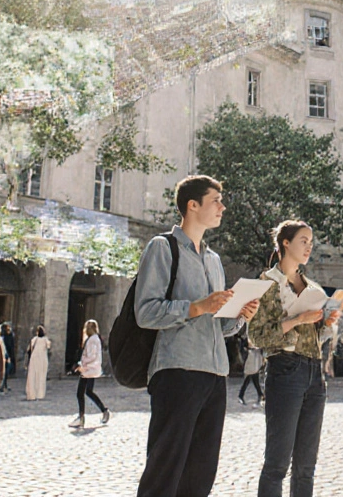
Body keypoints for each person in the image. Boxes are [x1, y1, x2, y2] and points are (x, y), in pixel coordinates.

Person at [133, 175, 260, 497]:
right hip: (177, 371)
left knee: (200, 475)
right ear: (192, 205)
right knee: (164, 471)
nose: (222, 207)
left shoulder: (214, 260)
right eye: (216, 200)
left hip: (215, 374)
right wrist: (197, 306)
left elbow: (218, 326)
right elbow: (145, 312)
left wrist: (239, 316)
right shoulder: (163, 247)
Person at [248, 219, 341, 497]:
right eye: (303, 241)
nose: (309, 247)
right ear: (285, 243)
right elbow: (257, 336)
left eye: (311, 242)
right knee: (277, 464)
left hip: (314, 372)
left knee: (306, 467)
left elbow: (314, 337)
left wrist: (325, 323)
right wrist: (298, 319)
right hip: (285, 370)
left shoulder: (312, 287)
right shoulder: (267, 283)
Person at [70, 319, 111, 428]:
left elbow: (92, 356)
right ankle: (104, 410)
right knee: (88, 391)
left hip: (88, 369)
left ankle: (81, 418)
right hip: (91, 368)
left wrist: (81, 364)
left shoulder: (92, 340)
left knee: (80, 393)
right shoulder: (95, 338)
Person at [25, 325, 50, 401]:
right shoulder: (46, 340)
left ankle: (32, 394)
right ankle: (40, 394)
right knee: (41, 377)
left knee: (33, 376)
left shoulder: (34, 339)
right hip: (42, 359)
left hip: (35, 358)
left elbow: (30, 348)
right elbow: (48, 347)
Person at [239, 337, 264, 407]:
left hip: (255, 359)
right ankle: (260, 394)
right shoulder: (248, 339)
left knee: (253, 377)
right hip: (251, 359)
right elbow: (244, 348)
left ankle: (259, 394)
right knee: (252, 377)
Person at [0, 323, 16, 393]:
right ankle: (2, 385)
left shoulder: (10, 336)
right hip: (5, 354)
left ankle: (5, 385)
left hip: (9, 354)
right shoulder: (4, 336)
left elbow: (11, 346)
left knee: (7, 371)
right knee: (4, 371)